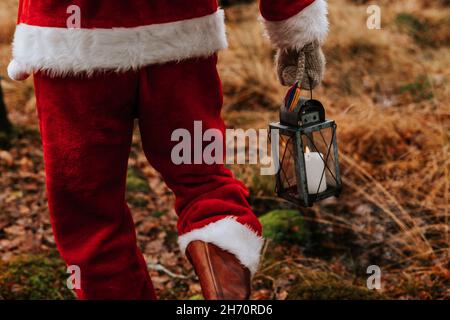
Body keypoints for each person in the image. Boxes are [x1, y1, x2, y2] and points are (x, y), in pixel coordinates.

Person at [7, 0, 328, 300]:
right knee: (200, 176)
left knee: (86, 204)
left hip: (68, 38)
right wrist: (295, 28)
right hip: (180, 32)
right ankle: (220, 260)